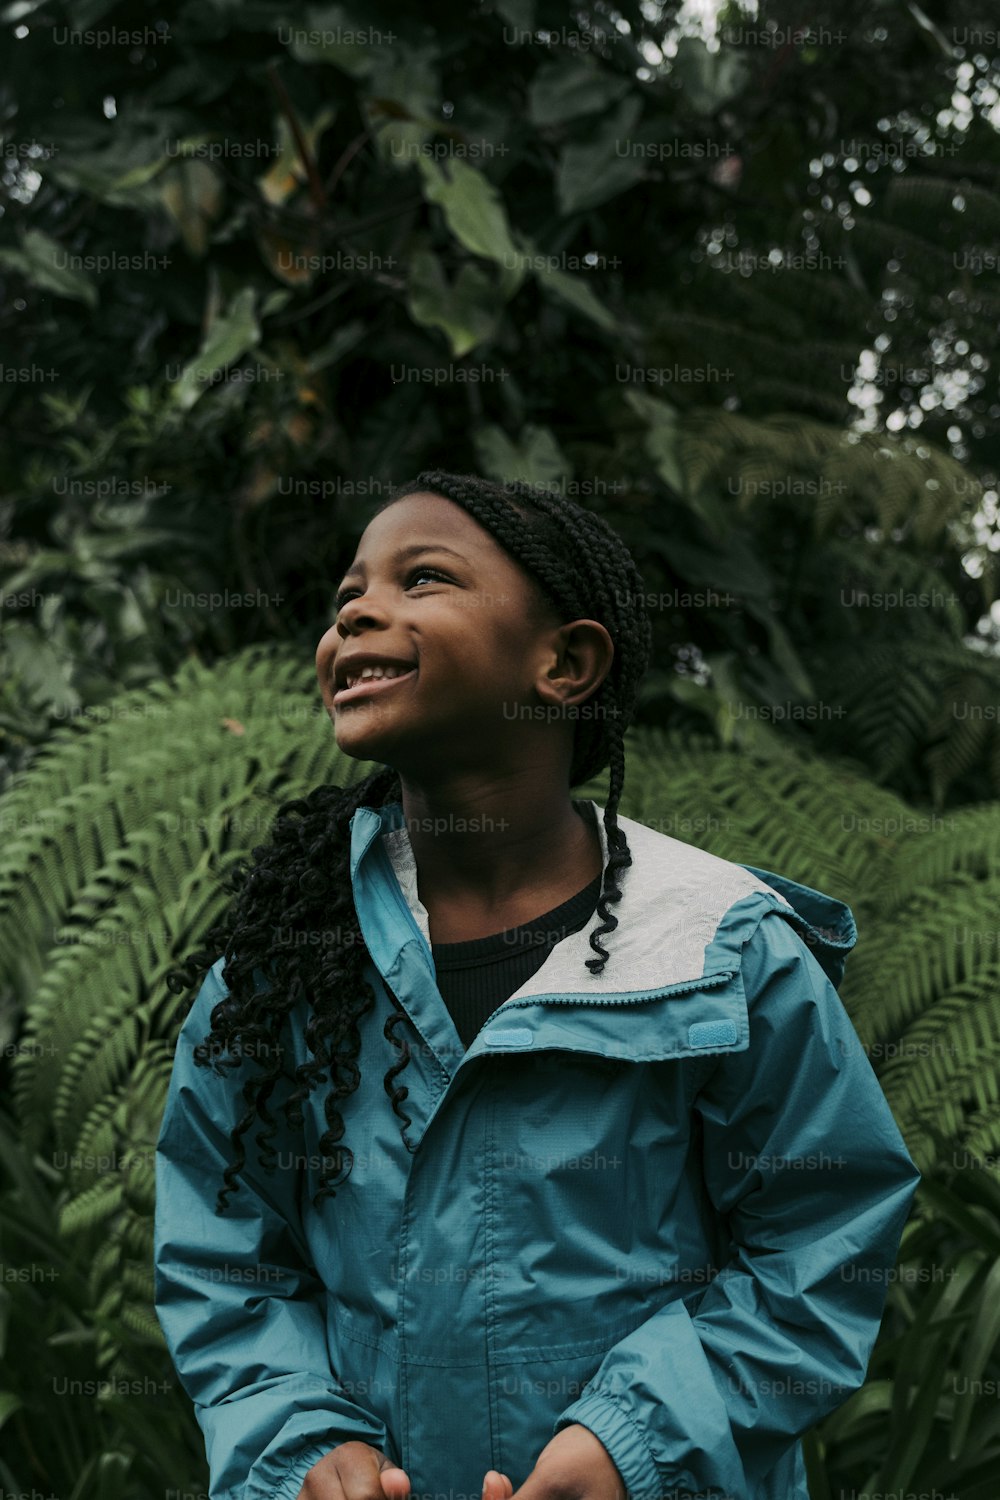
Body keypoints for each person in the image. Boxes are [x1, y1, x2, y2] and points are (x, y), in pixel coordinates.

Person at [154, 470, 921, 1500]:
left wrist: (635, 1444)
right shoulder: (283, 967)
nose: (359, 612)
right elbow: (223, 1249)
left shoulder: (721, 953)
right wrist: (296, 1439)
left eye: (423, 578)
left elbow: (822, 1239)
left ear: (564, 663)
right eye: (347, 599)